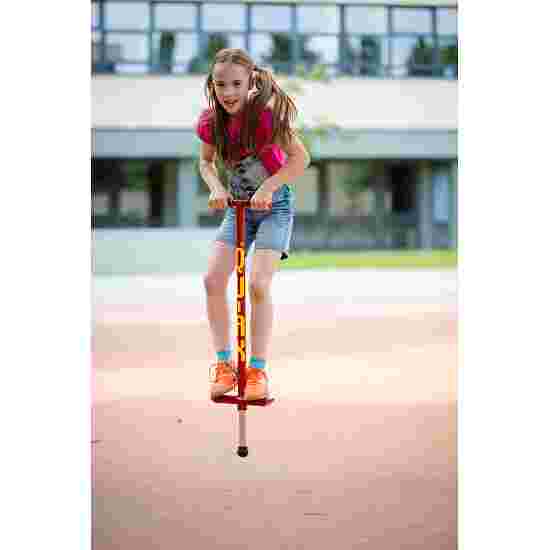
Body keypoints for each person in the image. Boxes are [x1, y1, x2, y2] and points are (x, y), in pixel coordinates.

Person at [195, 48, 310, 401]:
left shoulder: (265, 118)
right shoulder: (211, 122)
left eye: (235, 84)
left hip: (275, 207)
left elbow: (300, 159)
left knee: (259, 284)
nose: (227, 92)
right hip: (237, 208)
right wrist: (215, 187)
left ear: (250, 84)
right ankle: (225, 365)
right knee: (213, 279)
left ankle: (257, 370)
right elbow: (206, 163)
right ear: (212, 86)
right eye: (220, 85)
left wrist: (268, 187)